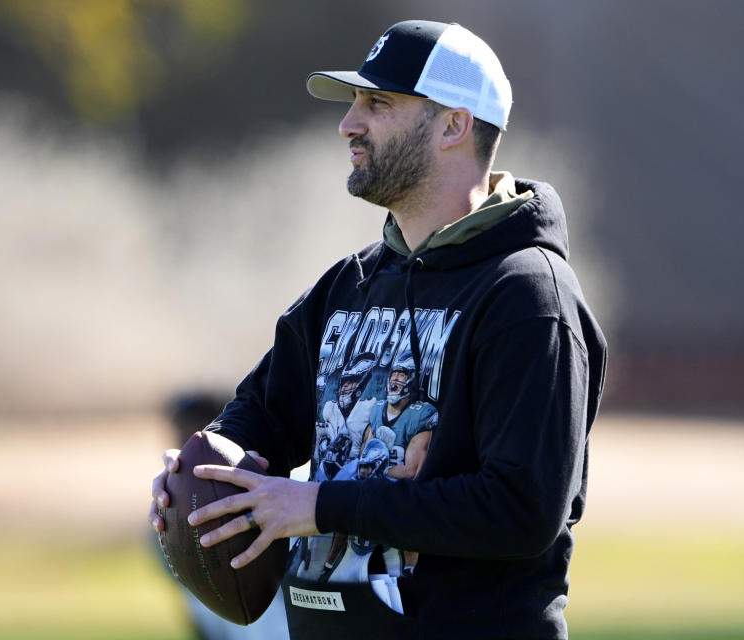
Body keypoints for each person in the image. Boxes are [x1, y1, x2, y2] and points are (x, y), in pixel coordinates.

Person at [150, 19, 606, 640]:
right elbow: (260, 413)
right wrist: (204, 475)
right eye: (355, 102)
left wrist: (320, 506)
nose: (349, 123)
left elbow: (523, 510)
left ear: (454, 125)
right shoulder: (349, 285)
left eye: (378, 103)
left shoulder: (526, 295)